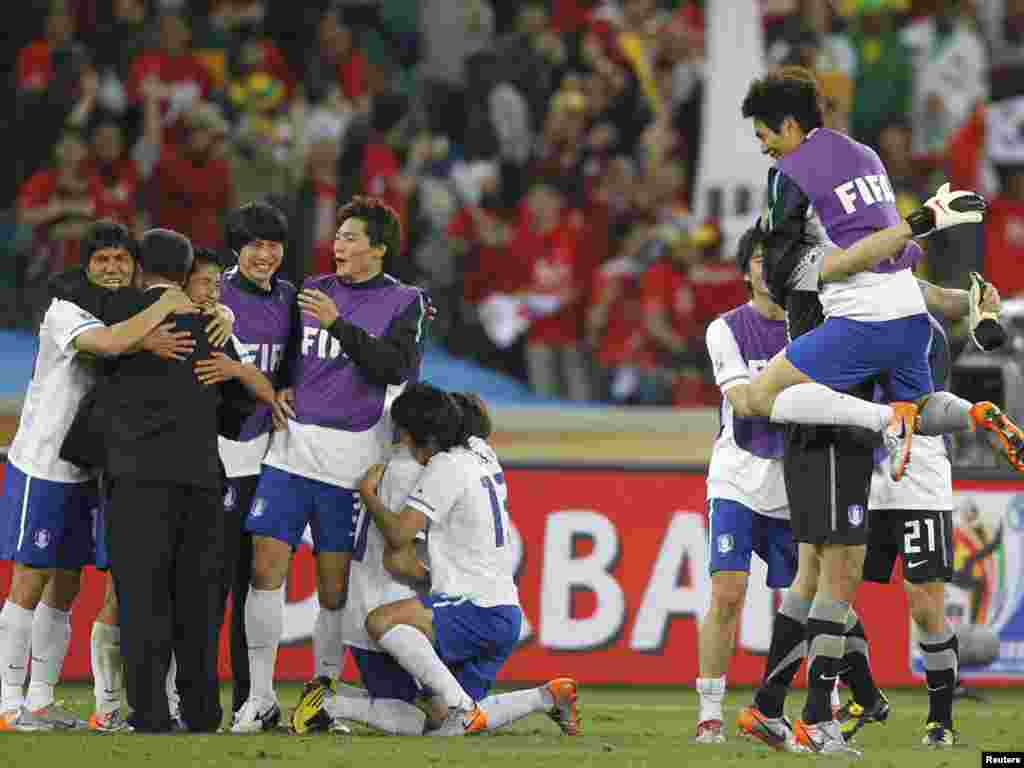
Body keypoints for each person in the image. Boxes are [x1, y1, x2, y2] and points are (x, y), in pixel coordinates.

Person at [234, 196, 431, 733]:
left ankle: (320, 698)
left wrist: (340, 325)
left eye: (349, 237)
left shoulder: (405, 301)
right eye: (338, 236)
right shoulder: (311, 292)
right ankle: (259, 696)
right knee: (264, 568)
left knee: (334, 589)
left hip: (350, 463)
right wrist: (284, 386)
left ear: (378, 248)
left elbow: (396, 367)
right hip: (291, 451)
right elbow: (288, 356)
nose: (338, 245)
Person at [737, 71, 998, 476]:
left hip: (860, 322)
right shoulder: (866, 155)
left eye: (762, 134)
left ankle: (884, 421)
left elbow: (786, 266)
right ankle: (976, 414)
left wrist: (790, 276)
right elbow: (880, 247)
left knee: (759, 396)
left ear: (788, 124)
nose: (763, 146)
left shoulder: (790, 171)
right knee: (923, 406)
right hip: (911, 316)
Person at [291, 388, 578, 736]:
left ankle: (331, 703)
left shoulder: (428, 467)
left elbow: (398, 552)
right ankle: (545, 697)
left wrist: (368, 494)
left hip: (449, 608)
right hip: (503, 610)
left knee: (419, 713)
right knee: (445, 721)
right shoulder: (484, 452)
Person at [0, 221, 195, 732]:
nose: (112, 269)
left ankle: (40, 700)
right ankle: (6, 703)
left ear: (134, 266)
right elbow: (108, 344)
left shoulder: (125, 310)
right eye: (101, 260)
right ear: (86, 266)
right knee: (28, 580)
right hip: (42, 463)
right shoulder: (65, 310)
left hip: (85, 469)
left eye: (120, 260)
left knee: (65, 588)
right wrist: (163, 307)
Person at [67, 228, 261, 733]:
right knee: (199, 603)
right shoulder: (211, 327)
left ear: (139, 266)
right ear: (184, 269)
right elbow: (238, 410)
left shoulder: (117, 316)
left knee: (141, 600)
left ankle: (149, 712)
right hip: (201, 481)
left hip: (136, 482)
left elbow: (94, 381)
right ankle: (201, 712)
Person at [696, 229, 795, 744]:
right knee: (728, 592)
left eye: (775, 258)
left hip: (793, 483)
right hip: (736, 475)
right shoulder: (725, 329)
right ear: (744, 271)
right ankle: (709, 713)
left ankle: (814, 707)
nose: (766, 267)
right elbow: (744, 402)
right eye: (758, 259)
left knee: (811, 600)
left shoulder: (812, 325)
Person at [858, 315, 963, 748]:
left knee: (923, 603)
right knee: (831, 587)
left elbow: (925, 402)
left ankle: (941, 721)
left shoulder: (925, 329)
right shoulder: (845, 317)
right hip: (860, 469)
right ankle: (861, 695)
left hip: (918, 471)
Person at [215, 202, 296, 719]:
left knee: (255, 583)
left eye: (273, 246)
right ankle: (184, 699)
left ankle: (252, 701)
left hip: (267, 458)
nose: (265, 256)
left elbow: (297, 364)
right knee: (205, 586)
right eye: (255, 246)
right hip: (216, 455)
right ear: (235, 249)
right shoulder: (214, 295)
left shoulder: (290, 297)